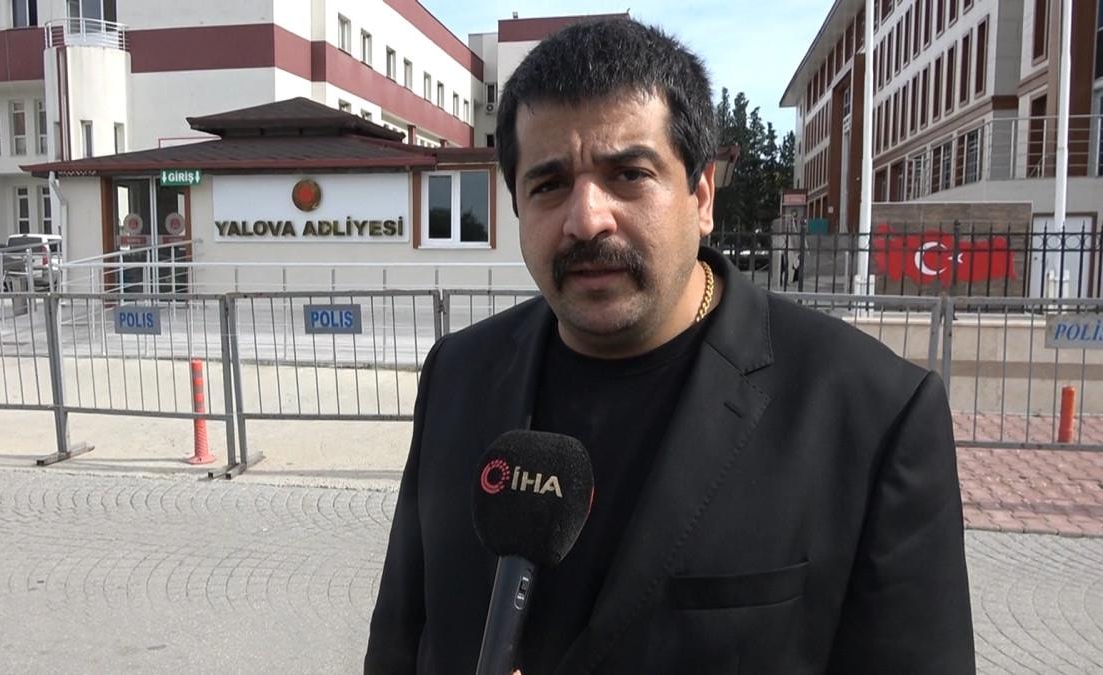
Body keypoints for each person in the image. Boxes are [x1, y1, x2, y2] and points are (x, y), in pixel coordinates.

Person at [365, 18, 974, 675]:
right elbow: (401, 640)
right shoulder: (456, 375)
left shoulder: (873, 413)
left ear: (702, 194)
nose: (585, 219)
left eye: (629, 174)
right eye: (549, 184)